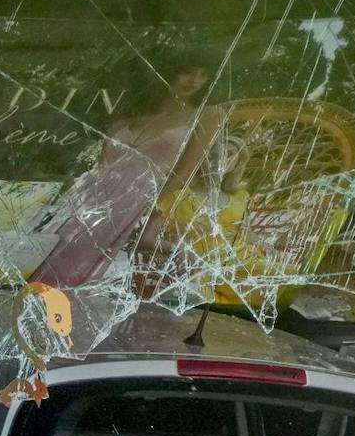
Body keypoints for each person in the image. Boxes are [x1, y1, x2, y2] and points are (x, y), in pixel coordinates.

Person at [31, 49, 226, 289]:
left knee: (86, 274)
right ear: (168, 72)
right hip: (92, 198)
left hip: (141, 199)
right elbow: (102, 166)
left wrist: (152, 206)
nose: (194, 81)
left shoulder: (207, 115)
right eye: (187, 72)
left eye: (203, 75)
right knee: (54, 259)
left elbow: (186, 171)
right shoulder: (130, 116)